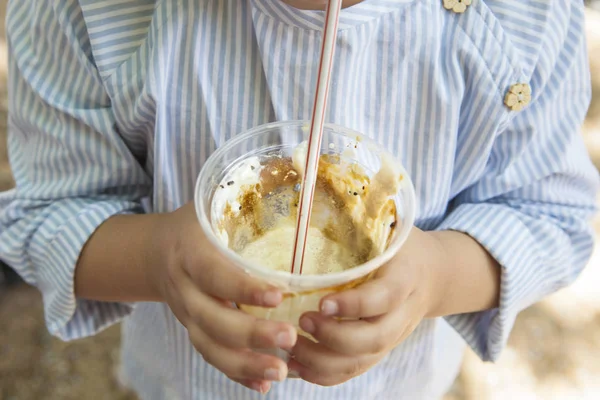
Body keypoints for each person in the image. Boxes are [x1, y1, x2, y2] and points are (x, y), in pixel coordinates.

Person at [0, 0, 598, 399]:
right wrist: (157, 257)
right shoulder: (84, 12)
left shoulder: (526, 19)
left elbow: (551, 216)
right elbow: (51, 215)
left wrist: (436, 278)